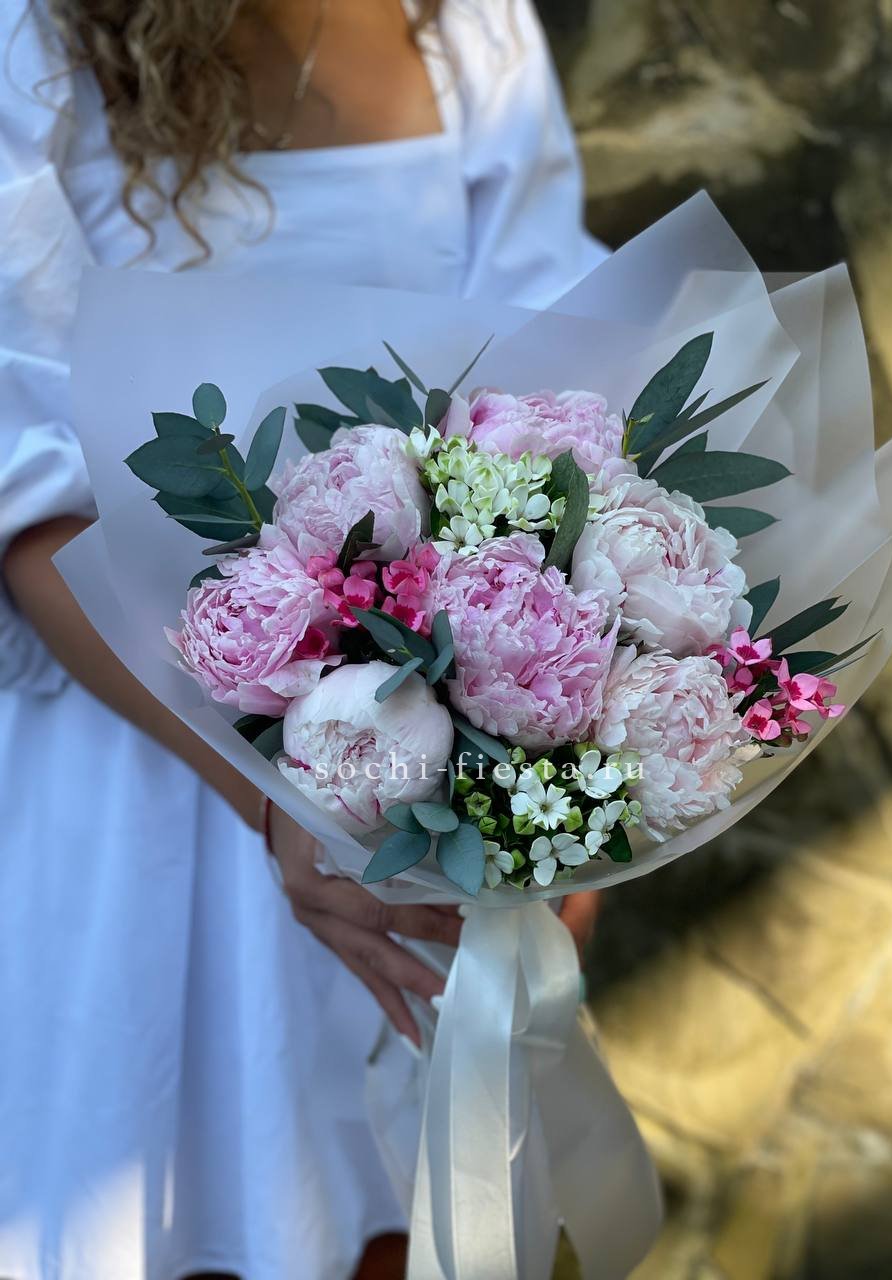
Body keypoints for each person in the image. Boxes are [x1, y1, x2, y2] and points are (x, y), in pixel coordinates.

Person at [0, 2, 603, 1277]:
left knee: (420, 1216)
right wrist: (290, 810)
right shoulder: (28, 42)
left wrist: (579, 790)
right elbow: (28, 495)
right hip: (149, 758)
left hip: (432, 773)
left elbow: (564, 376)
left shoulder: (467, 25)